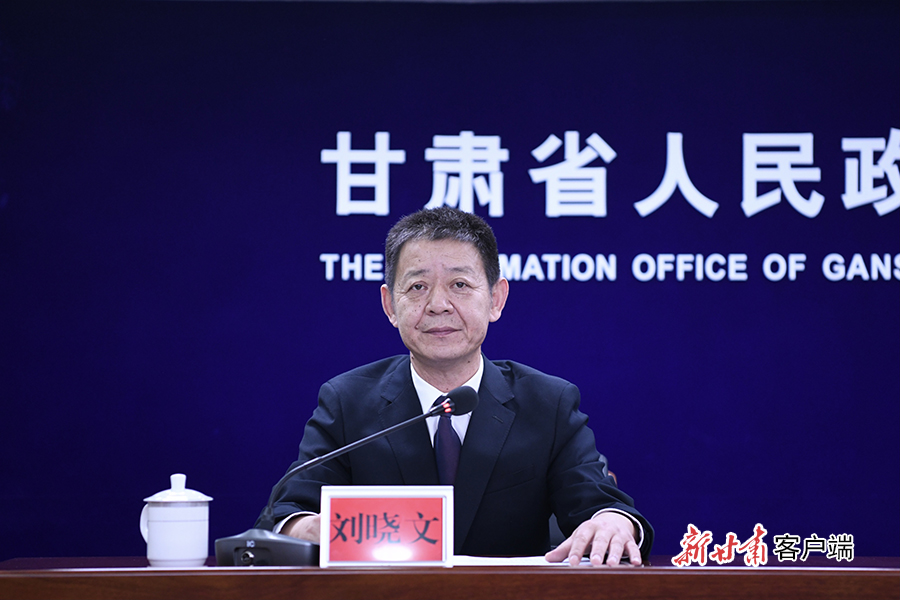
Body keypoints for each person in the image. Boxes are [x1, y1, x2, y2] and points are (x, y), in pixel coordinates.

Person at [260, 206, 653, 566]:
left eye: (460, 285)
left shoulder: (548, 403)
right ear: (390, 305)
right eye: (417, 287)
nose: (438, 304)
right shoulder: (347, 401)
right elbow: (288, 511)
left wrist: (613, 521)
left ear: (496, 299)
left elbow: (598, 502)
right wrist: (306, 528)